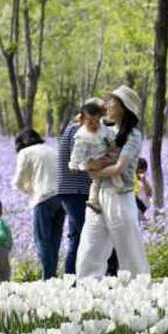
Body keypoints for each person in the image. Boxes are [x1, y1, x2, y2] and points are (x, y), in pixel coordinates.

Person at [76, 85, 150, 280]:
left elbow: (119, 168)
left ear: (124, 108)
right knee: (90, 247)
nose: (107, 105)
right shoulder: (104, 131)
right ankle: (87, 293)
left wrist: (94, 170)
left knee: (129, 250)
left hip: (119, 196)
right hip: (98, 195)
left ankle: (137, 293)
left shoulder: (133, 135)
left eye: (113, 102)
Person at [57, 99, 119, 276]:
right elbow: (81, 162)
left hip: (72, 190)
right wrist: (104, 162)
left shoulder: (75, 128)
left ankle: (71, 280)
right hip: (76, 190)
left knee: (77, 238)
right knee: (92, 236)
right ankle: (97, 276)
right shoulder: (80, 131)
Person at [12, 128, 63, 280]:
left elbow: (19, 181)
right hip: (62, 197)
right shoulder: (51, 149)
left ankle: (48, 278)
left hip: (43, 198)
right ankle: (53, 277)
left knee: (42, 241)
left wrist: (27, 189)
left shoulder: (25, 153)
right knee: (55, 239)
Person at [69, 102, 127, 213]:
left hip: (107, 156)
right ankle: (93, 200)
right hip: (93, 161)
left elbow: (112, 140)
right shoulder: (81, 136)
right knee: (96, 181)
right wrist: (74, 165)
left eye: (96, 121)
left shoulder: (103, 129)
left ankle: (119, 187)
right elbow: (77, 154)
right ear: (82, 120)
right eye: (90, 122)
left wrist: (112, 145)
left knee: (115, 167)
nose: (94, 125)